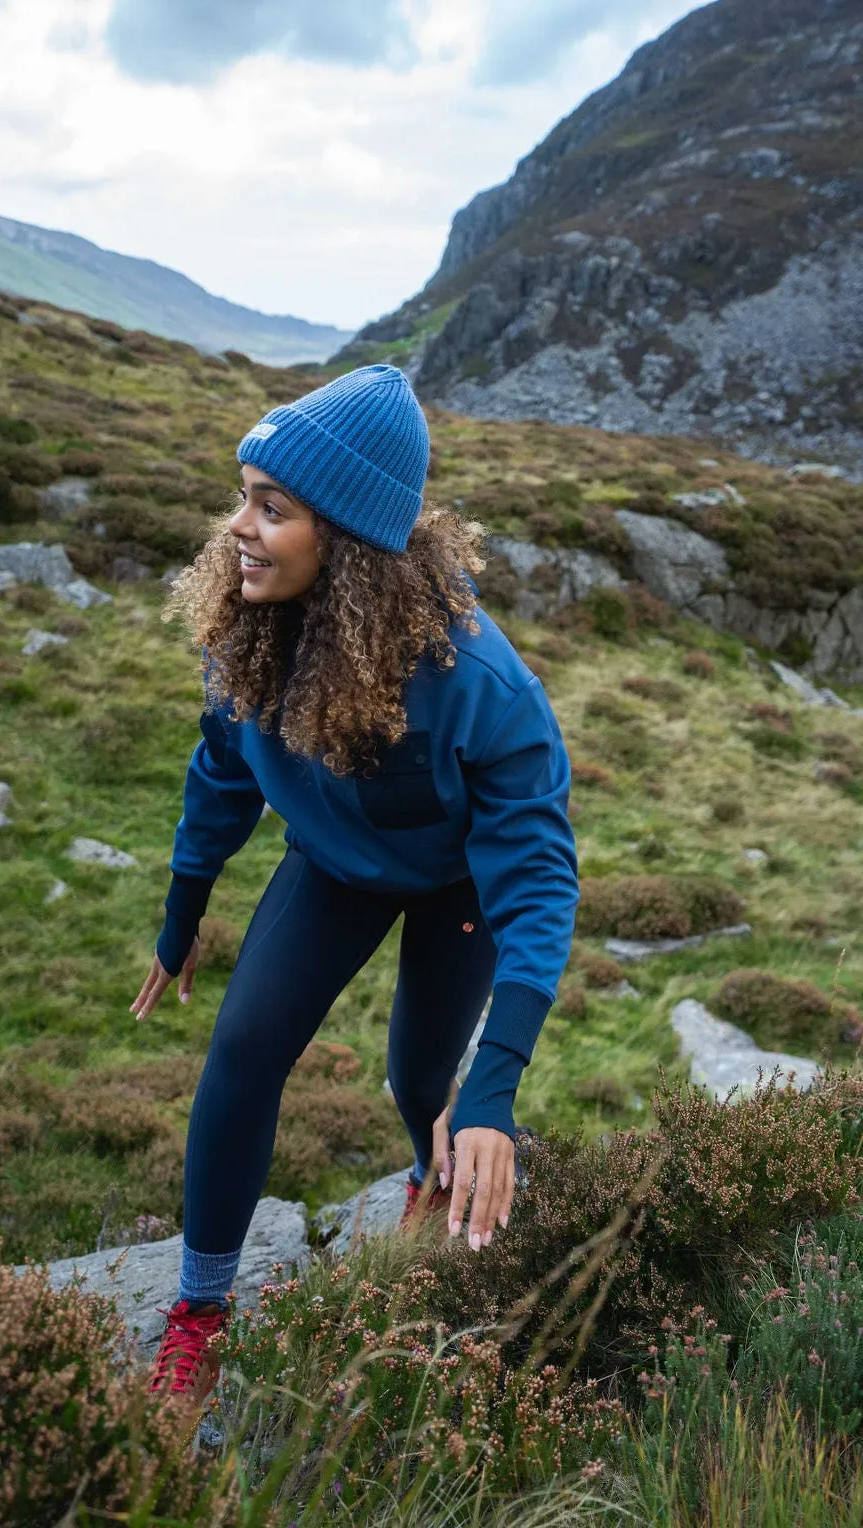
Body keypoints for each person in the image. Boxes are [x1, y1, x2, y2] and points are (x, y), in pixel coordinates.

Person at [131, 363, 580, 1415]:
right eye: (243, 494)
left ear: (348, 538)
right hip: (331, 868)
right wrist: (181, 914)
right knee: (242, 1052)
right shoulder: (252, 630)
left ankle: (433, 1181)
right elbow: (222, 776)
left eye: (272, 507)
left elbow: (539, 888)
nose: (239, 527)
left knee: (425, 1086)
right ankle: (199, 1311)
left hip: (455, 889)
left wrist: (495, 1096)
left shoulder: (481, 685)